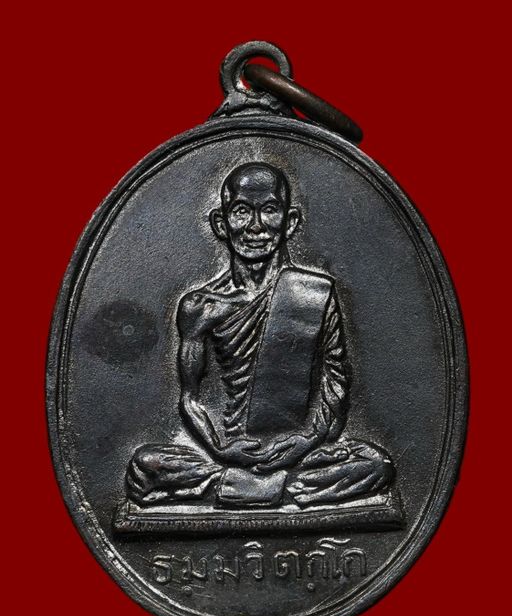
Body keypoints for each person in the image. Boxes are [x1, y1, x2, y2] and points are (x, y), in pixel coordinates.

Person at [126, 162, 394, 508]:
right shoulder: (200, 306)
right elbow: (191, 398)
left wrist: (308, 440)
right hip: (228, 450)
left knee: (376, 464)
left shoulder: (315, 293)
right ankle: (279, 490)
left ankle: (235, 489)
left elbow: (335, 384)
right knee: (145, 465)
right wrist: (221, 448)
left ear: (290, 222)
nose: (255, 226)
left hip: (300, 451)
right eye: (242, 211)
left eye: (269, 210)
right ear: (221, 224)